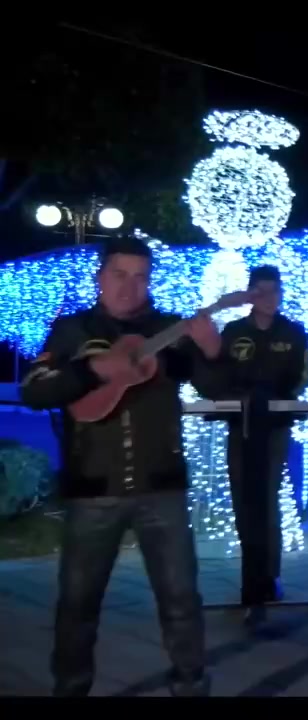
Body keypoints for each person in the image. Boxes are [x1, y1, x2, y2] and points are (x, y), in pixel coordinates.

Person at [20, 236, 230, 697]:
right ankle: (71, 689)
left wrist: (213, 351)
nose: (129, 286)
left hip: (163, 488)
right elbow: (35, 391)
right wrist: (95, 369)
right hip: (92, 489)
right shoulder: (72, 330)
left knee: (181, 599)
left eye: (140, 277)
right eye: (119, 275)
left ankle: (190, 686)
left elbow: (217, 388)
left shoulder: (170, 330)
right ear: (100, 278)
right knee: (77, 605)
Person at [218, 265, 308, 625]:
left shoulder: (293, 333)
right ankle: (250, 579)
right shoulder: (233, 332)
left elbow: (302, 375)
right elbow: (219, 374)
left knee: (267, 501)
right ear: (250, 294)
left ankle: (269, 578)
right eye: (261, 291)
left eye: (275, 290)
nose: (269, 298)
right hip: (239, 427)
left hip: (274, 428)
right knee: (243, 501)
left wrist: (280, 398)